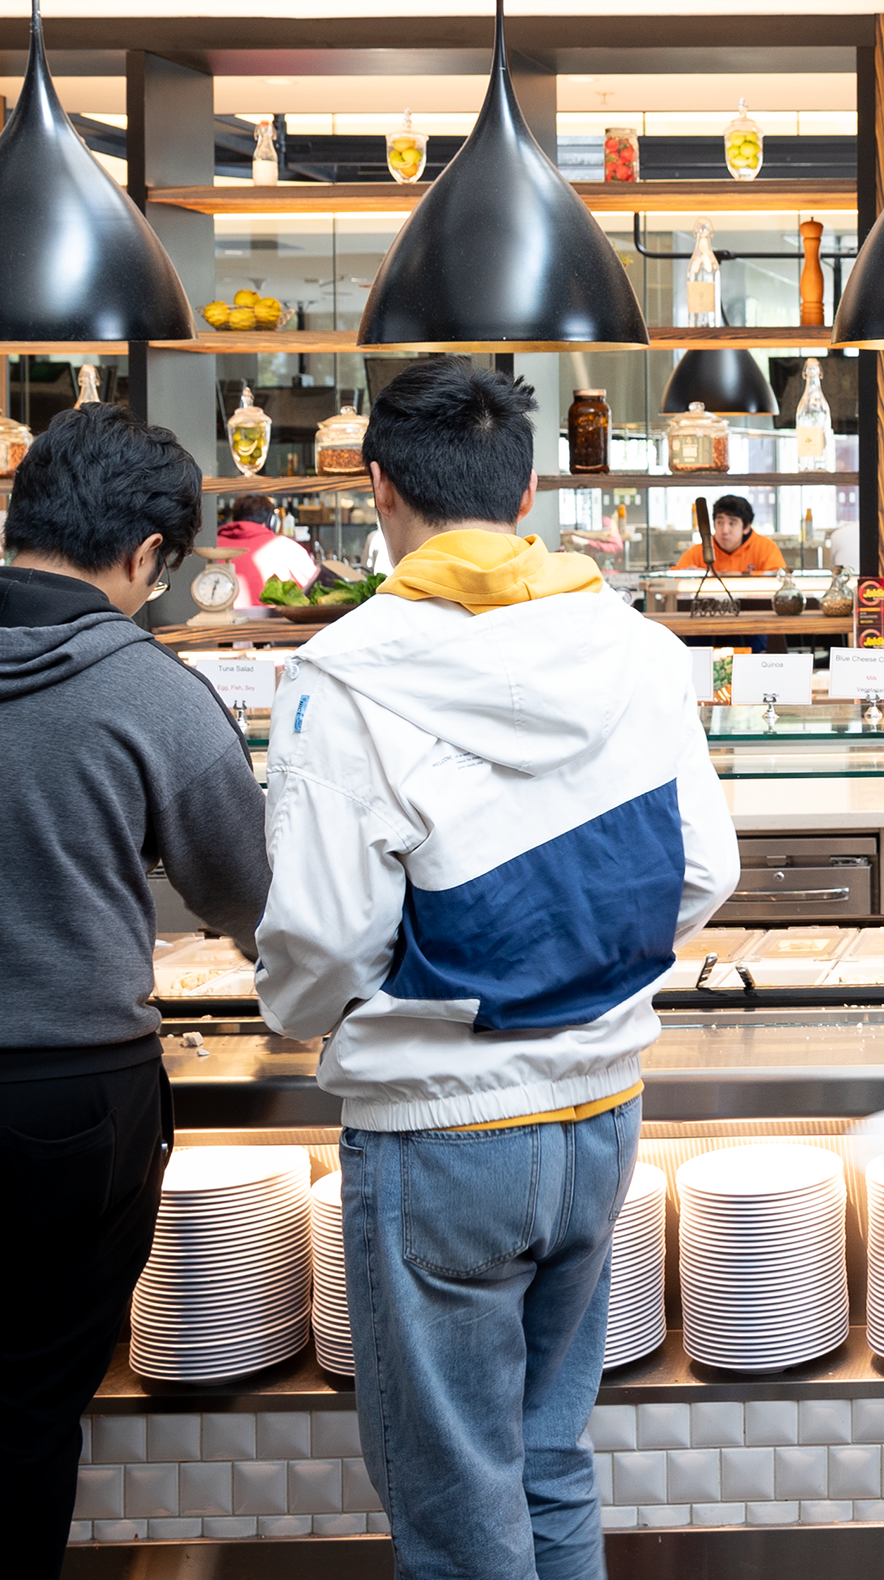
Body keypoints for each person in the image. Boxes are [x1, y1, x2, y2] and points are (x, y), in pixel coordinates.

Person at [255, 360, 738, 1580]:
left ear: (378, 489)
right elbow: (701, 872)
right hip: (599, 1115)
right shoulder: (638, 647)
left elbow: (318, 940)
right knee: (546, 1458)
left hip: (440, 1132)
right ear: (528, 489)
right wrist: (575, 968)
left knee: (456, 1501)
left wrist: (312, 1013)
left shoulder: (341, 673)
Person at [0, 403, 271, 1580]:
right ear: (144, 557)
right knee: (23, 1422)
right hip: (67, 1109)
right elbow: (251, 898)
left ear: (15, 519)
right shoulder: (156, 692)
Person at [216, 488, 318, 605]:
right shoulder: (284, 546)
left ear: (232, 519)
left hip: (219, 620)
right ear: (271, 521)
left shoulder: (212, 547)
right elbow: (318, 587)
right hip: (270, 621)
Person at [672, 491, 785, 576]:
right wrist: (690, 574)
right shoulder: (699, 551)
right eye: (720, 522)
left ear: (746, 527)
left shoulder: (765, 548)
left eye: (732, 523)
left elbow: (779, 576)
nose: (724, 530)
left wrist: (740, 575)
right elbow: (673, 577)